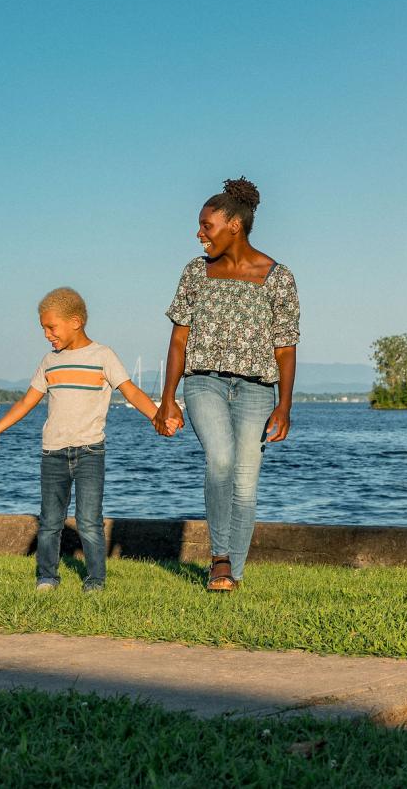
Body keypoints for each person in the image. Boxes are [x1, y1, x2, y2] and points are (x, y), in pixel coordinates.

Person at [153, 177, 299, 592]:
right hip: (204, 383)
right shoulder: (196, 273)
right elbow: (179, 338)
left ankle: (232, 573)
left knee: (246, 480)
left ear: (234, 225)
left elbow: (285, 348)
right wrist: (167, 400)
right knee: (220, 460)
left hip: (257, 390)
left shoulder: (278, 277)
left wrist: (284, 405)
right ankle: (219, 558)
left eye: (206, 226)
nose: (199, 234)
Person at [0, 288, 171, 592]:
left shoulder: (102, 356)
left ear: (75, 321)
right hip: (52, 453)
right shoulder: (49, 361)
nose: (47, 334)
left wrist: (157, 417)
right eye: (44, 328)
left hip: (89, 452)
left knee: (88, 521)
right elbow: (25, 402)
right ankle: (47, 577)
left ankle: (95, 580)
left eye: (51, 327)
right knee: (50, 521)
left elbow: (132, 391)